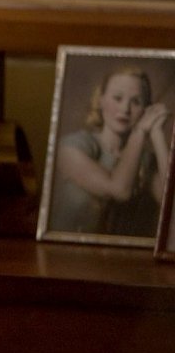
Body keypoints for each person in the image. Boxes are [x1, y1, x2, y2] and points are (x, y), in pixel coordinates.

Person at [50, 66, 171, 237]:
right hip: (68, 250)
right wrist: (140, 132)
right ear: (101, 100)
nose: (125, 109)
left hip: (125, 252)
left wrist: (156, 132)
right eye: (117, 98)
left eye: (136, 102)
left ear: (146, 109)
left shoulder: (145, 159)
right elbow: (119, 190)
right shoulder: (72, 146)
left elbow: (172, 204)